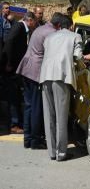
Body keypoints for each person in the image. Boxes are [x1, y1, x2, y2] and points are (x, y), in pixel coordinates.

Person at [16, 12, 63, 149]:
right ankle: (36, 140)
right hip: (35, 72)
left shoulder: (40, 28)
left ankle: (28, 138)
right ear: (59, 25)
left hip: (26, 68)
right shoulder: (51, 33)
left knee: (29, 105)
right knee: (36, 107)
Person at [40, 15, 82, 161]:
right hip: (61, 77)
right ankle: (61, 153)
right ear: (70, 26)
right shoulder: (75, 36)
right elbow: (78, 56)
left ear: (59, 26)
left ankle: (52, 152)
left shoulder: (49, 37)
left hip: (45, 76)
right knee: (61, 116)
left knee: (49, 116)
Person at [2, 12, 37, 134]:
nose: (35, 25)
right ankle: (14, 124)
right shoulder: (19, 27)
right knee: (13, 95)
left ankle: (17, 122)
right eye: (35, 22)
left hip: (16, 68)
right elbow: (9, 42)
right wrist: (9, 63)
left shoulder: (22, 29)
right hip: (11, 68)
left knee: (16, 95)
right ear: (30, 20)